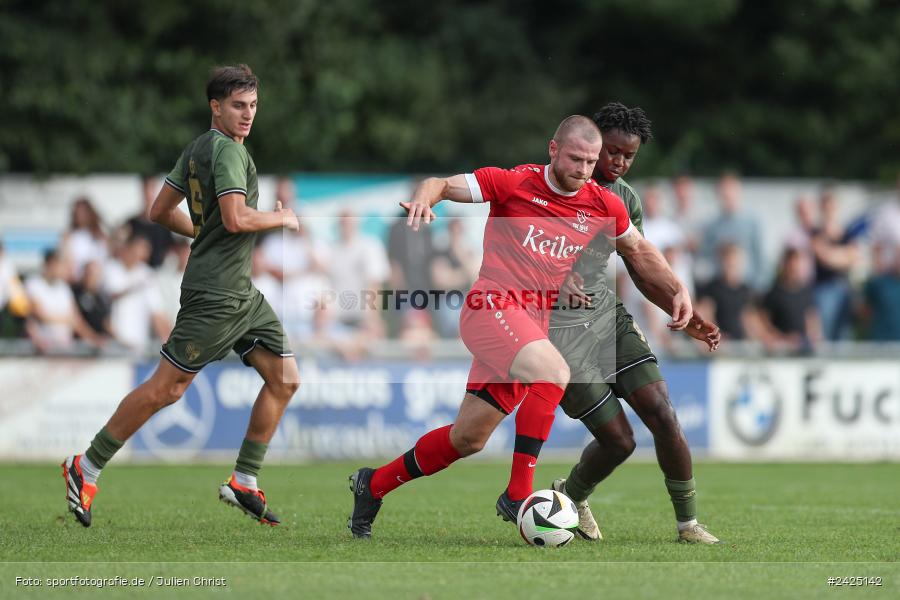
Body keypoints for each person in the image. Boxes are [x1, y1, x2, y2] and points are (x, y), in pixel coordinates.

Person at [348, 115, 692, 539]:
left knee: (467, 438)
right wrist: (425, 197)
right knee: (554, 371)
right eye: (575, 159)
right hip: (490, 306)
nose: (583, 170)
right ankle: (518, 494)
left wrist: (678, 289)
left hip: (530, 326)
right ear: (553, 150)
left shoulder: (603, 203)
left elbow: (639, 249)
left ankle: (372, 484)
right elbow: (442, 183)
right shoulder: (514, 183)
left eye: (589, 162)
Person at [61, 64, 301, 528]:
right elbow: (235, 219)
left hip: (241, 294)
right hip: (214, 294)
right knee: (166, 388)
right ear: (215, 106)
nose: (248, 114)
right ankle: (85, 466)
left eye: (252, 105)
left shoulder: (197, 149)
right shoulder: (228, 152)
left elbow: (158, 211)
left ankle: (244, 481)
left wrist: (204, 232)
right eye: (237, 106)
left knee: (285, 378)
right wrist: (282, 219)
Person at [547, 103, 722, 545]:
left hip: (606, 318)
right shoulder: (548, 185)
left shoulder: (625, 199)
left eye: (629, 156)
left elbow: (641, 266)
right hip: (557, 331)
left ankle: (688, 525)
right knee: (619, 442)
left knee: (663, 414)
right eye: (612, 151)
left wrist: (680, 307)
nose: (619, 162)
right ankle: (571, 494)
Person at [25, 249, 105, 353]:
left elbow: (76, 319)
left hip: (64, 349)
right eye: (62, 265)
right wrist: (68, 319)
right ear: (52, 264)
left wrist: (92, 338)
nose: (65, 269)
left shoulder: (64, 288)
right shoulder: (33, 284)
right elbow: (40, 314)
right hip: (41, 350)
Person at [698, 172, 765, 289]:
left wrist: (759, 286)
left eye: (730, 192)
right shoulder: (712, 226)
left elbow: (760, 256)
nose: (727, 196)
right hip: (720, 287)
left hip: (746, 286)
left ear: (738, 191)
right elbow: (706, 256)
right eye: (723, 193)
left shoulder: (752, 222)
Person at [810, 186, 860, 340]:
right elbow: (823, 256)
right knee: (826, 333)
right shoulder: (816, 232)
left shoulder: (845, 232)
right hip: (823, 289)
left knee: (843, 335)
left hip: (844, 288)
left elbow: (854, 257)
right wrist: (842, 255)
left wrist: (833, 254)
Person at [123, 176, 175, 268]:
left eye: (151, 189)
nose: (148, 193)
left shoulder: (165, 224)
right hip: (137, 274)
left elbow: (172, 251)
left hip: (159, 274)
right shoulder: (131, 223)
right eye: (146, 189)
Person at [61, 197, 109, 282]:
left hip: (96, 275)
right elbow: (67, 259)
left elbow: (104, 258)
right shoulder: (69, 235)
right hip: (76, 276)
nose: (80, 215)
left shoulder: (99, 235)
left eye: (83, 212)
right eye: (77, 212)